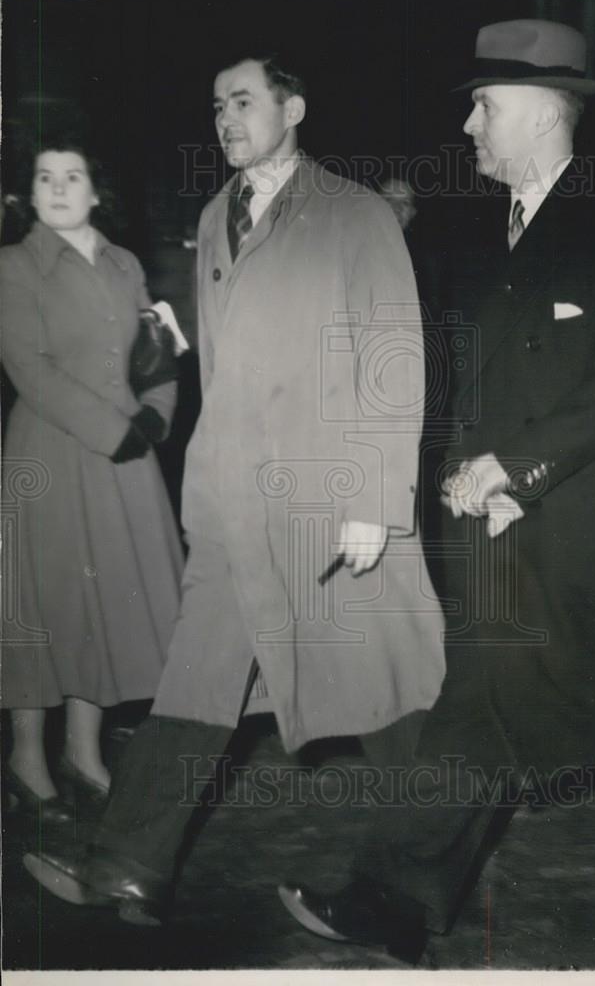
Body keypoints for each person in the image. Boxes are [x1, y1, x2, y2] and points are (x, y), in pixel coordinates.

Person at [277, 20, 595, 959]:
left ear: (538, 113)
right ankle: (396, 903)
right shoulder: (484, 241)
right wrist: (446, 471)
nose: (469, 129)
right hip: (503, 536)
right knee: (478, 711)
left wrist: (516, 468)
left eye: (484, 108)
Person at [23, 55, 444, 922]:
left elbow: (394, 361)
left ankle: (419, 881)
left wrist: (376, 500)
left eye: (243, 101)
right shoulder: (218, 214)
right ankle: (127, 868)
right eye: (216, 105)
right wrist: (202, 485)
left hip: (331, 503)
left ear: (293, 106)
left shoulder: (354, 213)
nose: (225, 119)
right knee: (194, 683)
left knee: (395, 699)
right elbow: (217, 369)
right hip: (234, 511)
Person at [1, 140, 183, 822]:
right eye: (43, 177)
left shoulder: (125, 263)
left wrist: (157, 419)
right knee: (44, 604)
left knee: (99, 602)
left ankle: (83, 752)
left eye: (71, 176)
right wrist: (115, 433)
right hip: (51, 452)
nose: (57, 188)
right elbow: (32, 370)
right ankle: (27, 757)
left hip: (126, 455)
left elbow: (156, 352)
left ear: (96, 190)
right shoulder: (14, 267)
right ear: (29, 193)